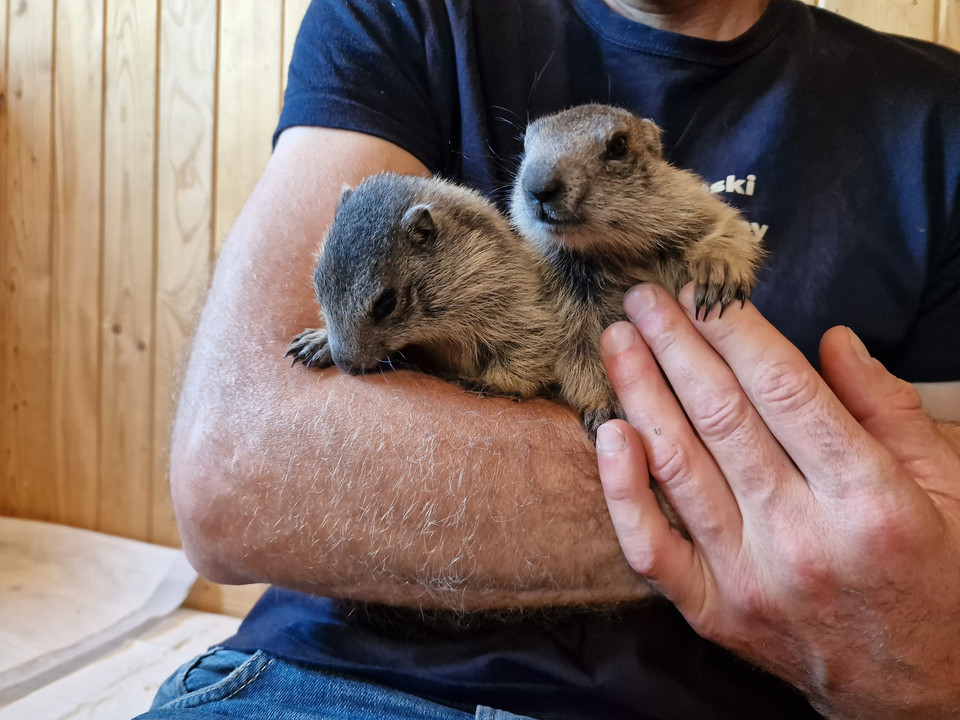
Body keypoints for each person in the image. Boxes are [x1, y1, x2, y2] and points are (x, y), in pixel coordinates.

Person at [137, 0, 960, 718]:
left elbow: (933, 547)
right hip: (332, 680)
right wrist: (787, 531)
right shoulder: (405, 15)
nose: (536, 194)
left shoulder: (934, 112)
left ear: (641, 150)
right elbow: (239, 473)